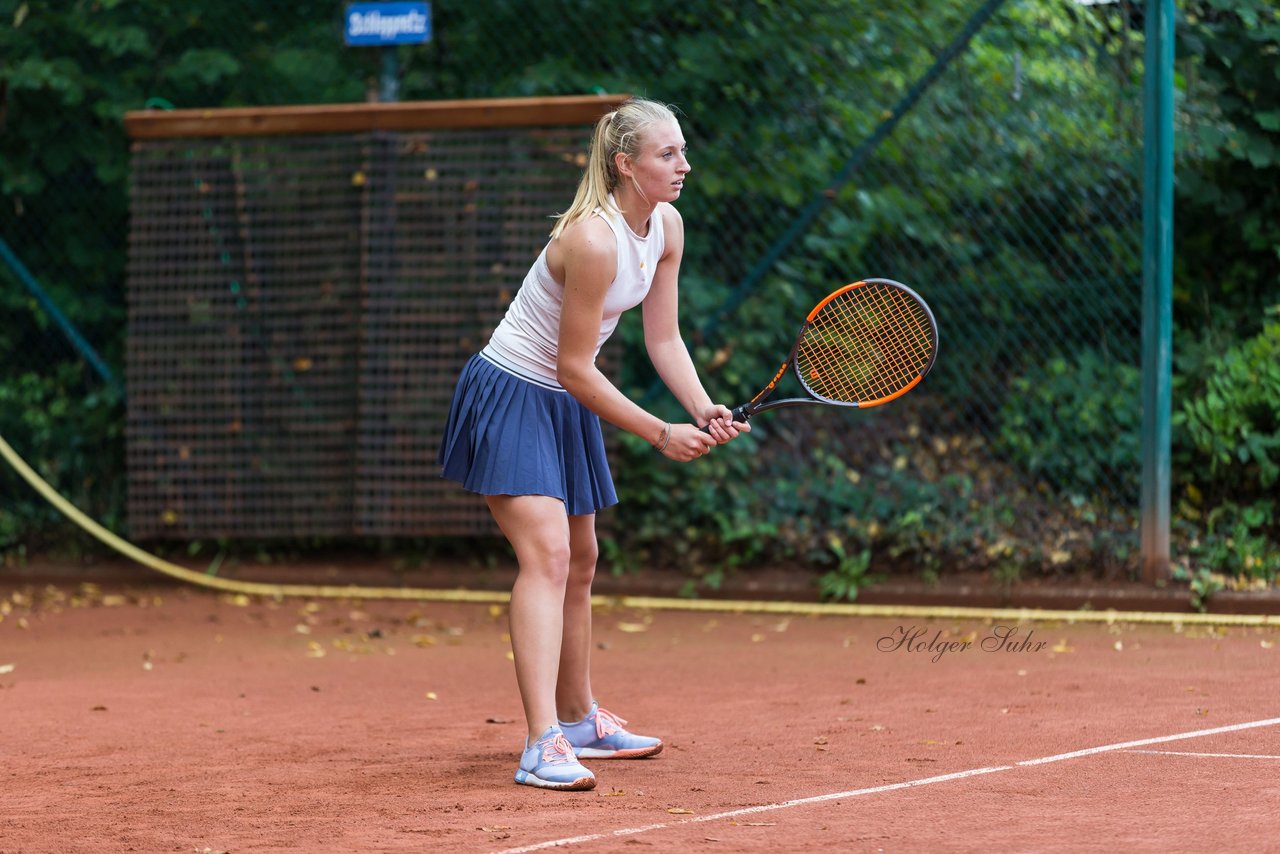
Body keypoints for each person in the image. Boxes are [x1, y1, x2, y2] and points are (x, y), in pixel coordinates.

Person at [438, 96, 749, 791]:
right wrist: (660, 432)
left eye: (682, 151)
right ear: (626, 164)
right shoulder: (593, 239)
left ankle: (579, 720)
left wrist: (701, 409)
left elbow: (663, 338)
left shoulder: (665, 226)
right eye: (668, 154)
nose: (684, 165)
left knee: (582, 557)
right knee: (547, 555)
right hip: (515, 390)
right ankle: (540, 743)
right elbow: (573, 367)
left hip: (563, 399)